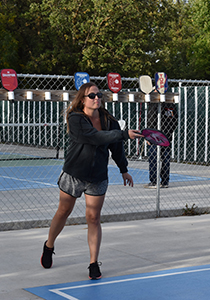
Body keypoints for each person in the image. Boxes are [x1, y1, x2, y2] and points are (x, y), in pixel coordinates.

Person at [40, 82, 143, 279]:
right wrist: (124, 134)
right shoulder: (76, 118)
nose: (97, 99)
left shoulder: (109, 120)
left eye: (99, 95)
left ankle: (93, 263)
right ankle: (49, 245)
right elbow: (95, 137)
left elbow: (116, 146)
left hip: (97, 177)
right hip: (74, 174)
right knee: (63, 211)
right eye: (92, 96)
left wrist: (124, 169)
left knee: (94, 218)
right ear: (82, 99)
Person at [144, 101, 178, 189]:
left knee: (153, 158)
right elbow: (175, 120)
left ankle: (154, 181)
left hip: (155, 137)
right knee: (165, 159)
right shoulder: (171, 104)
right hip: (166, 136)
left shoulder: (154, 102)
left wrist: (149, 136)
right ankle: (165, 181)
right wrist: (169, 133)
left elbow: (151, 119)